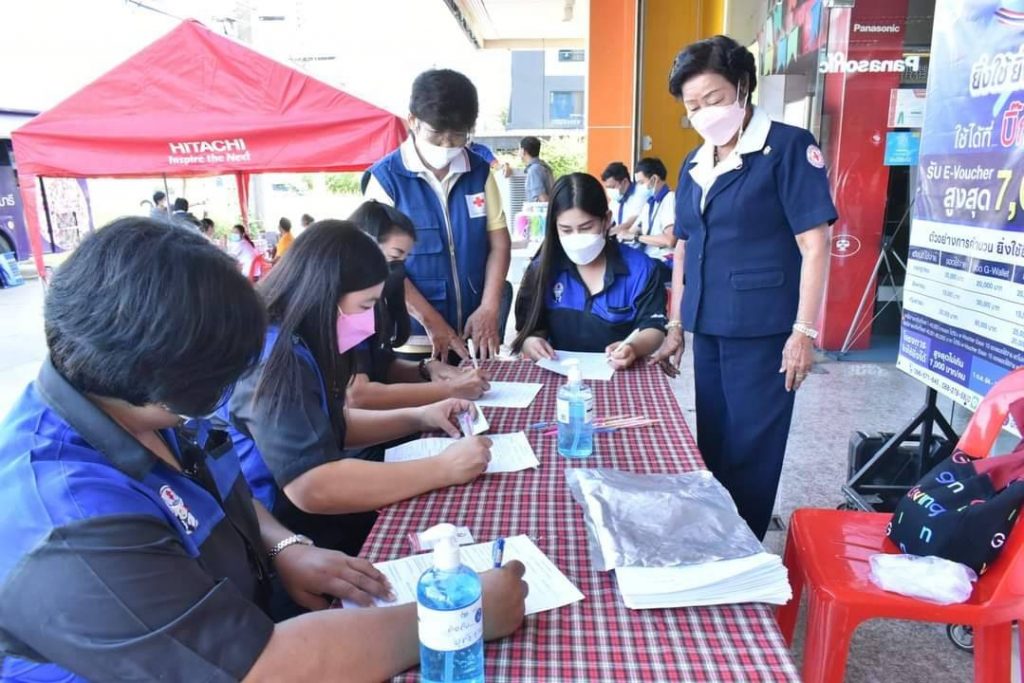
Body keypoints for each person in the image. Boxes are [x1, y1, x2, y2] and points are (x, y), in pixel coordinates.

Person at [0, 217, 529, 681]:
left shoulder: (136, 407)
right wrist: (460, 615)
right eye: (225, 373)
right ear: (165, 370)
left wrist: (282, 549)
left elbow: (219, 494)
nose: (234, 388)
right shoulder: (72, 522)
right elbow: (264, 669)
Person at [649, 35, 836, 540]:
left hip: (764, 330)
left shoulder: (788, 148)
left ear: (743, 86)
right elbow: (684, 246)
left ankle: (744, 547)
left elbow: (814, 244)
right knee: (713, 441)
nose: (704, 113)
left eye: (713, 98)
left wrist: (803, 332)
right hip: (709, 326)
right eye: (692, 106)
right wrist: (676, 323)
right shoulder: (694, 162)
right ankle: (717, 538)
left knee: (752, 450)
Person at [216, 221, 494, 556]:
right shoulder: (275, 360)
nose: (370, 322)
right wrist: (443, 468)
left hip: (299, 512)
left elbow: (328, 424)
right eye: (364, 307)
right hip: (279, 531)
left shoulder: (300, 343)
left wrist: (421, 417)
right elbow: (312, 484)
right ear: (324, 294)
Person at [366, 69, 512, 361]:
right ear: (413, 121)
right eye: (436, 134)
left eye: (458, 135)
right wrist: (432, 322)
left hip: (472, 332)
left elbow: (499, 244)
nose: (447, 145)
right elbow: (379, 263)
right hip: (413, 338)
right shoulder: (386, 180)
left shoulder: (479, 173)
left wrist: (489, 307)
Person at [347, 201, 491, 409]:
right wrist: (449, 390)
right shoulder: (348, 307)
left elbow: (380, 366)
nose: (397, 270)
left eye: (403, 261)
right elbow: (357, 395)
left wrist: (427, 368)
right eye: (394, 256)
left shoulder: (370, 302)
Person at [513, 173, 667, 369]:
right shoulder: (542, 269)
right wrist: (530, 342)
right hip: (558, 374)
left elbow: (654, 326)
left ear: (606, 220)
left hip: (621, 373)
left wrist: (633, 347)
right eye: (566, 230)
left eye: (586, 228)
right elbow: (528, 327)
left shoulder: (640, 269)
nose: (577, 238)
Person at [620, 157, 676, 283]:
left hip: (664, 262)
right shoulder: (649, 203)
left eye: (641, 183)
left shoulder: (670, 199)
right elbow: (634, 230)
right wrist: (620, 236)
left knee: (632, 272)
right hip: (649, 259)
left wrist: (636, 237)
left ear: (654, 179)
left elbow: (669, 240)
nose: (638, 188)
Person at [601, 161, 646, 235]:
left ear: (624, 182)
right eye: (607, 187)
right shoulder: (616, 199)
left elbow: (630, 223)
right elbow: (608, 220)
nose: (610, 190)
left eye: (612, 187)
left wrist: (607, 233)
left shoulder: (640, 195)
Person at [519, 136, 555, 202]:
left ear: (523, 151)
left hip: (540, 208)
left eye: (519, 149)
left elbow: (543, 198)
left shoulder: (534, 170)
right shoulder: (544, 166)